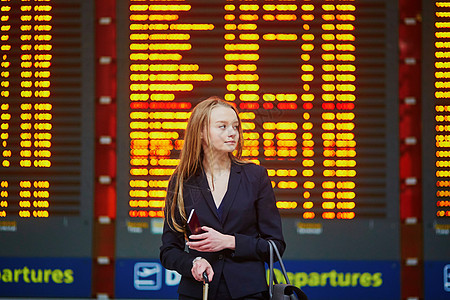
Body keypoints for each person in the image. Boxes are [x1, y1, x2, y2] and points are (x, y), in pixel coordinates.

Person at [160, 96, 285, 299]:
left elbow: (275, 246)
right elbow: (168, 250)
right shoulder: (182, 180)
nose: (232, 133)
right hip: (198, 292)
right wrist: (192, 263)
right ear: (200, 132)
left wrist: (229, 241)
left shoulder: (255, 176)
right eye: (223, 126)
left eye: (235, 127)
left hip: (248, 293)